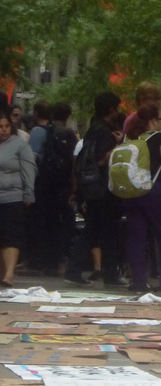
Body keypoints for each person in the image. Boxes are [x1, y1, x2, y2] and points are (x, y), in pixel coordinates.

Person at [121, 103, 161, 293]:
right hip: (155, 190)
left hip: (131, 192)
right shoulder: (160, 138)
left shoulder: (129, 138)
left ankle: (139, 282)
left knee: (136, 238)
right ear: (153, 121)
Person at [65, 91, 123, 286]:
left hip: (91, 187)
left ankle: (76, 269)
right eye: (116, 108)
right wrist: (117, 147)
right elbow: (102, 160)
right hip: (104, 188)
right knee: (107, 230)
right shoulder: (106, 132)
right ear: (111, 109)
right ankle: (109, 274)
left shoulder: (92, 129)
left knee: (94, 228)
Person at [33, 103, 77, 275]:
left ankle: (49, 263)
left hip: (46, 183)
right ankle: (62, 261)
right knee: (65, 223)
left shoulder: (44, 132)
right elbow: (74, 161)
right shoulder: (70, 134)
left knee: (48, 222)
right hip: (64, 184)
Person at [0, 109, 36, 285]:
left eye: (6, 126)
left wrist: (29, 192)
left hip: (13, 196)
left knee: (10, 236)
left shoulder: (20, 145)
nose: (3, 130)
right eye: (0, 127)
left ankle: (9, 274)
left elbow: (29, 169)